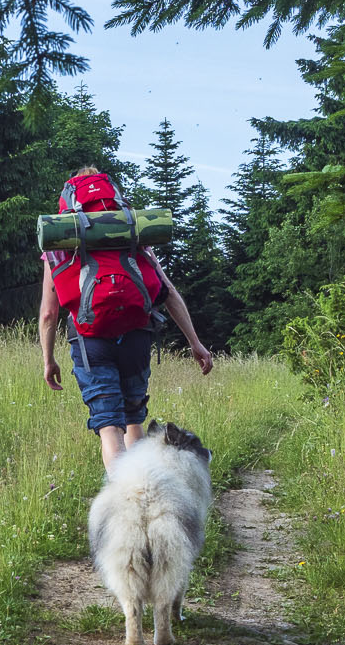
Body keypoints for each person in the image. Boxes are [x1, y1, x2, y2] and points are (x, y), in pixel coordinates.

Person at [38, 166, 215, 468]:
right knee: (133, 422)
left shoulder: (62, 241)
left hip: (90, 339)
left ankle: (126, 508)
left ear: (70, 200)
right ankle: (143, 495)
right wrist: (195, 343)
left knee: (109, 429)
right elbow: (167, 290)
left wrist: (48, 359)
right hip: (136, 334)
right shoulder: (131, 232)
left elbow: (48, 312)